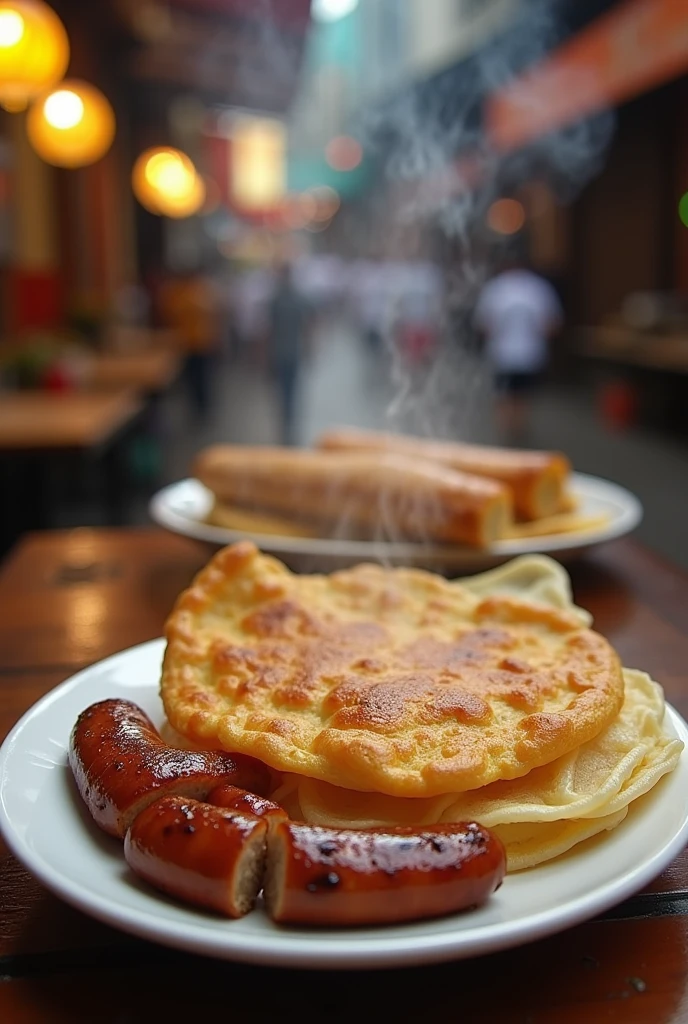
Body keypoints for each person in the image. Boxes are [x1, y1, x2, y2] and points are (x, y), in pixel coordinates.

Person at [474, 255, 562, 441]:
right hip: (530, 353)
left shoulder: (495, 287)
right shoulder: (539, 287)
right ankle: (517, 436)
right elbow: (551, 325)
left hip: (502, 353)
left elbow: (484, 326)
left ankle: (507, 436)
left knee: (504, 396)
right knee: (522, 397)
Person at [158, 266, 221, 422]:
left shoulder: (200, 292)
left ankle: (204, 409)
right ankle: (197, 409)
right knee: (192, 379)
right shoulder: (181, 293)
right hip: (187, 344)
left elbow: (213, 314)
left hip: (202, 344)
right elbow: (169, 313)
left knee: (202, 379)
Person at [267, 261, 311, 445]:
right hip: (287, 351)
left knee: (287, 391)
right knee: (288, 391)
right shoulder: (286, 298)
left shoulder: (280, 298)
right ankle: (288, 422)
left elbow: (306, 326)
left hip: (284, 351)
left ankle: (287, 422)